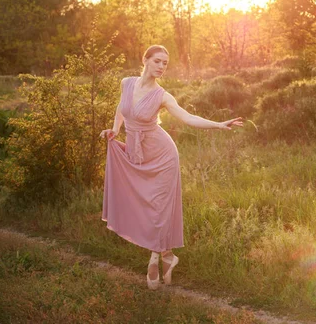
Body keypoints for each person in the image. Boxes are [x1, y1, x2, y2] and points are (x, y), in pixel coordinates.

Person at [99, 45, 242, 290]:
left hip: (163, 155)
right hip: (137, 153)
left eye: (165, 63)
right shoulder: (127, 83)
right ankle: (168, 256)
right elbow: (120, 109)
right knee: (143, 203)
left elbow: (187, 117)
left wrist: (219, 125)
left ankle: (155, 258)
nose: (161, 66)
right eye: (157, 61)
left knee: (159, 206)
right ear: (144, 59)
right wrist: (115, 129)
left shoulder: (162, 95)